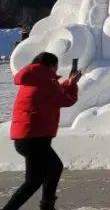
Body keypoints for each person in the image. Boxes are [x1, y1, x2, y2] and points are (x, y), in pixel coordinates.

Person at [3, 52, 81, 210]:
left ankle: (46, 205)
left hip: (26, 136)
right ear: (51, 65)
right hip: (35, 138)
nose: (56, 69)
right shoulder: (46, 80)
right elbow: (66, 100)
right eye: (56, 66)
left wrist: (69, 82)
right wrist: (72, 84)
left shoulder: (34, 78)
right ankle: (46, 206)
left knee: (35, 179)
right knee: (53, 168)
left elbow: (54, 93)